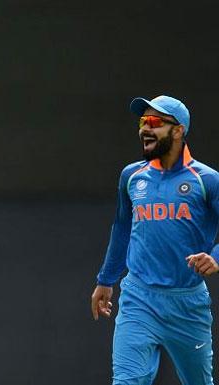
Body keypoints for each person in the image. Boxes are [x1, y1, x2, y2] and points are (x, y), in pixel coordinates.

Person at [91, 95, 219, 384]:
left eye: (154, 122)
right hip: (139, 297)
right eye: (142, 122)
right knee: (127, 381)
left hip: (187, 303)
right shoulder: (132, 176)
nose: (144, 129)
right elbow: (123, 227)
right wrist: (106, 280)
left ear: (178, 130)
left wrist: (215, 258)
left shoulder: (207, 180)